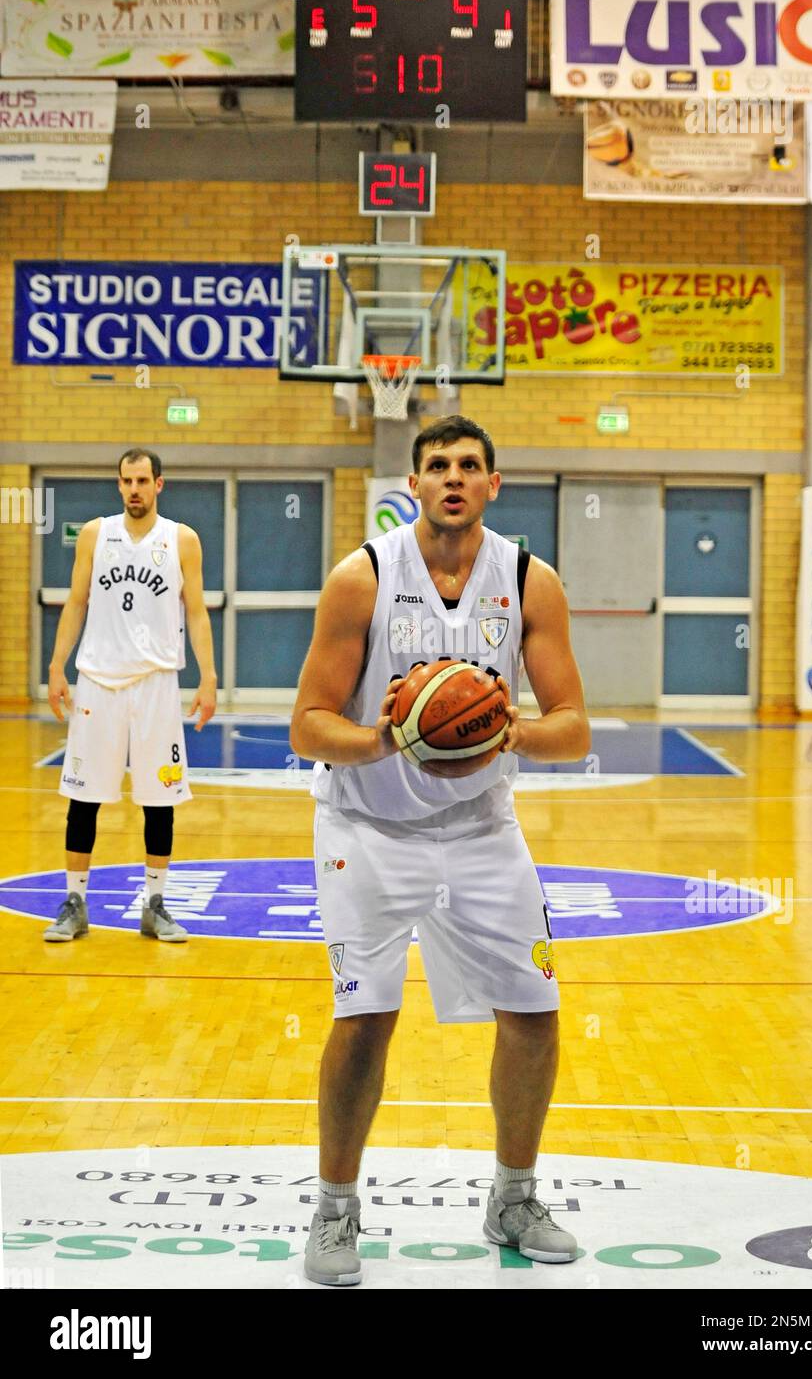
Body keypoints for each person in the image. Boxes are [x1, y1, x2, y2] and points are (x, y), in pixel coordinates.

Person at [290, 414, 590, 1286]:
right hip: (367, 828)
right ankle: (336, 1210)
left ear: (494, 485)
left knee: (533, 1014)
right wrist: (387, 738)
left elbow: (571, 728)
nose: (452, 477)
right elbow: (308, 723)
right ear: (412, 484)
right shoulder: (362, 577)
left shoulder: (529, 581)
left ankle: (513, 1196)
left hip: (479, 829)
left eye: (468, 466)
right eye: (435, 466)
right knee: (366, 1017)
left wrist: (506, 732)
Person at [44, 448, 217, 944]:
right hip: (98, 681)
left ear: (159, 484)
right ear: (118, 485)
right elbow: (76, 602)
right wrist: (57, 665)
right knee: (84, 797)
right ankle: (75, 903)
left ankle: (155, 904)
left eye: (143, 480)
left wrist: (208, 677)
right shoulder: (97, 535)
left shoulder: (181, 539)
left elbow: (198, 612)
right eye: (127, 481)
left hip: (158, 683)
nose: (135, 489)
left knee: (159, 800)